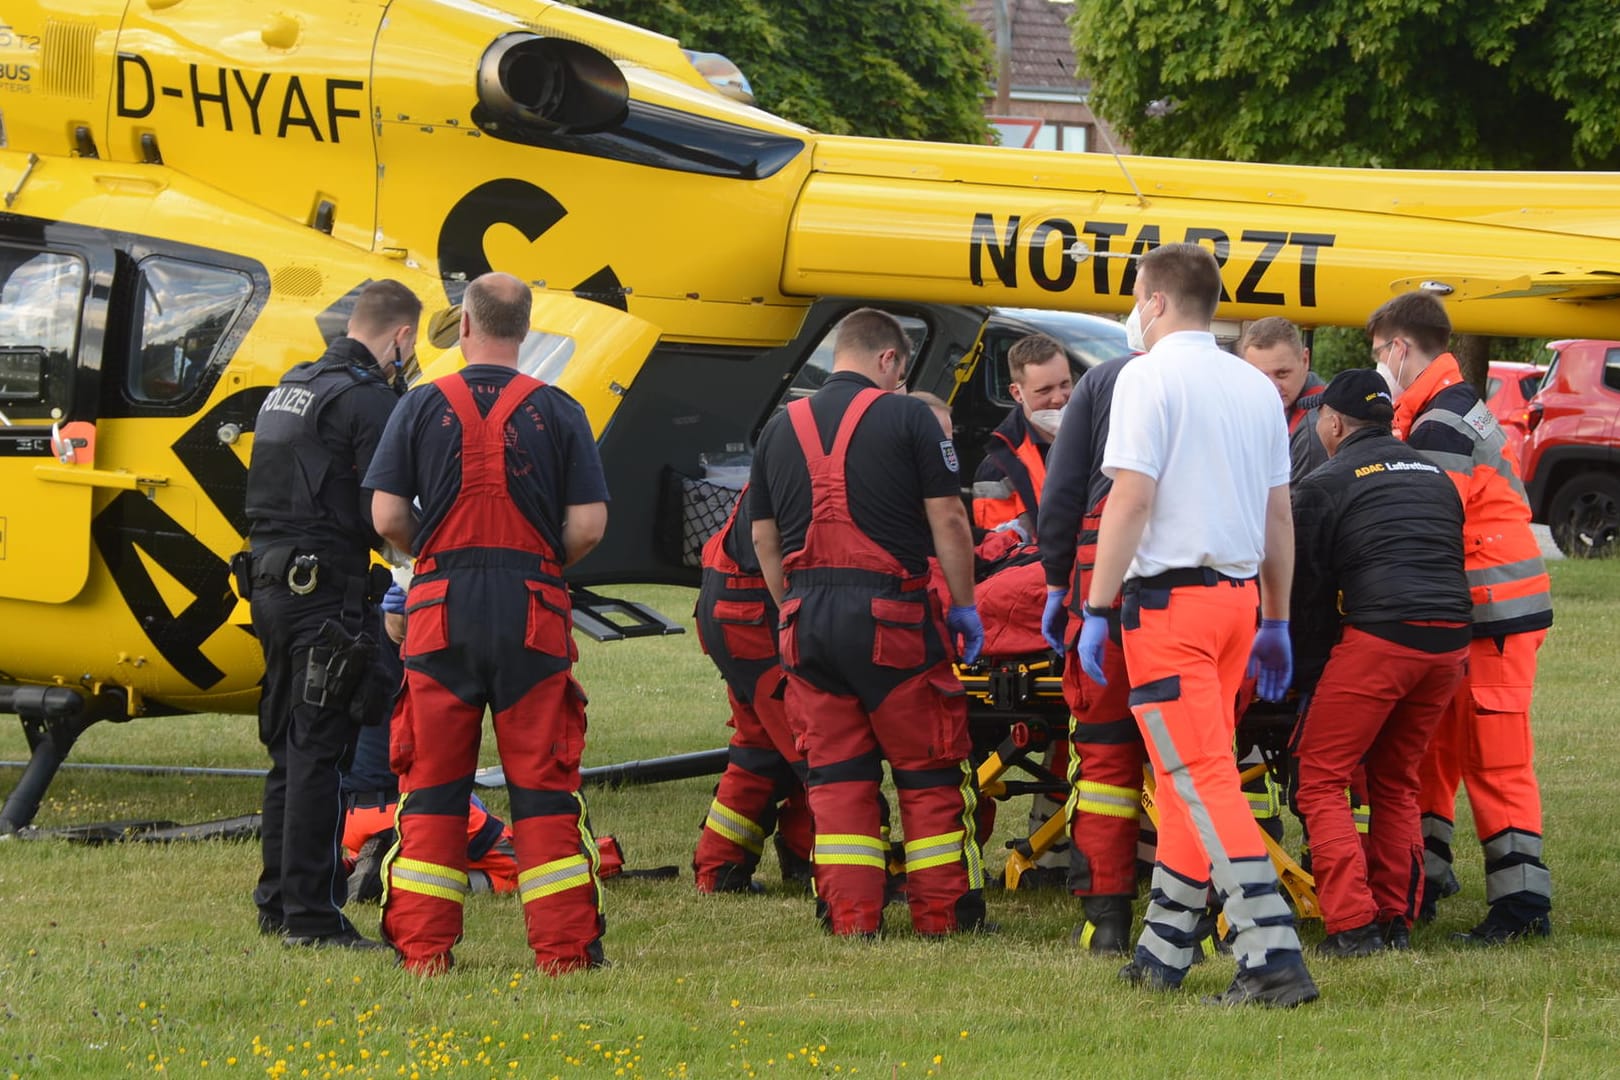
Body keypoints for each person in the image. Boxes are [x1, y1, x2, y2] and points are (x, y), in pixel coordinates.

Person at [1075, 242, 1317, 1006]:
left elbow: (1131, 499)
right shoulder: (1254, 388)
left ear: (1152, 301)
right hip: (1237, 606)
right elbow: (1279, 514)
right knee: (1187, 777)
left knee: (1201, 777)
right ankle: (1166, 947)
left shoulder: (1147, 379)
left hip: (1171, 608)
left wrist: (1095, 604)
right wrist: (1275, 617)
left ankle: (1271, 956)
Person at [366, 272, 610, 975]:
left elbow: (385, 517)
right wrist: (532, 560)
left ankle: (423, 950)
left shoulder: (416, 407)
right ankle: (563, 952)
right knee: (543, 781)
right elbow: (589, 525)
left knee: (434, 782)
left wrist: (439, 556)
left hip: (440, 608)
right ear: (523, 331)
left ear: (465, 327)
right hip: (532, 606)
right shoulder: (560, 410)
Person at [749, 307, 987, 937]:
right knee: (927, 767)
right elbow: (950, 522)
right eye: (901, 369)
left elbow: (765, 538)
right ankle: (942, 915)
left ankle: (853, 918)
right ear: (888, 360)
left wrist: (788, 609)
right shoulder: (909, 415)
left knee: (836, 775)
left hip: (804, 620)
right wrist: (963, 605)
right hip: (891, 619)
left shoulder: (778, 427)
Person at [1370, 292, 1555, 944]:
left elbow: (1427, 523)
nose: (1377, 367)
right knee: (1436, 750)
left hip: (1494, 616)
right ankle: (1428, 872)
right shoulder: (1449, 409)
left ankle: (1523, 903)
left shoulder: (1441, 424)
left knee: (1494, 760)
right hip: (1484, 610)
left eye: (1377, 354)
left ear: (1398, 349)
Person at [244, 278, 420, 949]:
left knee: (291, 748)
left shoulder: (294, 385)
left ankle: (277, 903)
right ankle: (313, 918)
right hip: (323, 590)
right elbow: (390, 509)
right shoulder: (367, 399)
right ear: (400, 337)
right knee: (321, 750)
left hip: (271, 581)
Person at [1288, 369, 1471, 956]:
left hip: (1382, 639)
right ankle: (1398, 918)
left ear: (1334, 424)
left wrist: (1307, 675)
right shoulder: (1435, 475)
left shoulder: (1325, 482)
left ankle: (1352, 926)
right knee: (1397, 781)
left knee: (1320, 779)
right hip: (1448, 643)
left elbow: (1306, 596)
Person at [1037, 348, 1149, 953]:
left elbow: (1061, 492)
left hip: (1100, 573)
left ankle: (1107, 920)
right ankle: (1197, 916)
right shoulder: (1237, 381)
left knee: (1105, 760)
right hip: (1205, 584)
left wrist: (1057, 583)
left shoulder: (1103, 380)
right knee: (1198, 763)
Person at [690, 486, 814, 894]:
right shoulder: (824, 450)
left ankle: (722, 869)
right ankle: (843, 867)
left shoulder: (793, 441)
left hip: (733, 602)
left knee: (762, 745)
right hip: (753, 611)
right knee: (819, 747)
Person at [971, 333, 1073, 538]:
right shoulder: (997, 468)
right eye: (1044, 390)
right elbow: (1000, 550)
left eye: (1065, 384)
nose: (1058, 398)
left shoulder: (1100, 438)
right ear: (1017, 393)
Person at [1238, 317, 1326, 483]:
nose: (1272, 386)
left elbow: (1300, 506)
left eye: (1282, 374)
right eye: (1260, 376)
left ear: (1305, 360)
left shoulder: (1315, 428)